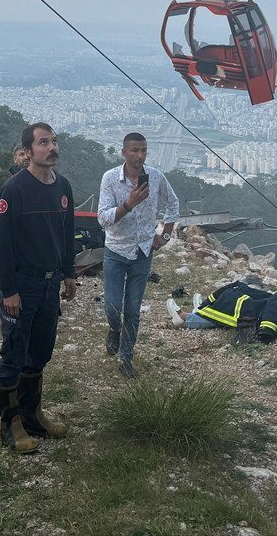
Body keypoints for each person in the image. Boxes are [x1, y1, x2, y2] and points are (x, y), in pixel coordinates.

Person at [0, 122, 75, 453]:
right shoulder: (14, 190)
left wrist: (69, 274)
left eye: (54, 142)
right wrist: (9, 290)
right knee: (14, 352)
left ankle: (33, 415)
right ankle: (10, 424)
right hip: (21, 284)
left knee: (40, 351)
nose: (52, 147)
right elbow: (2, 245)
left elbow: (67, 235)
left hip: (49, 282)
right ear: (28, 151)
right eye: (44, 143)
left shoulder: (63, 187)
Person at [96, 132, 180, 378]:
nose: (139, 155)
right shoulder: (110, 179)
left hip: (143, 251)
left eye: (143, 150)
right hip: (116, 249)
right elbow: (102, 218)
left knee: (132, 308)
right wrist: (129, 204)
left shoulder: (155, 177)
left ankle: (126, 358)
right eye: (134, 150)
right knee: (112, 306)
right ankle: (113, 329)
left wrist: (164, 235)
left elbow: (173, 203)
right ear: (124, 152)